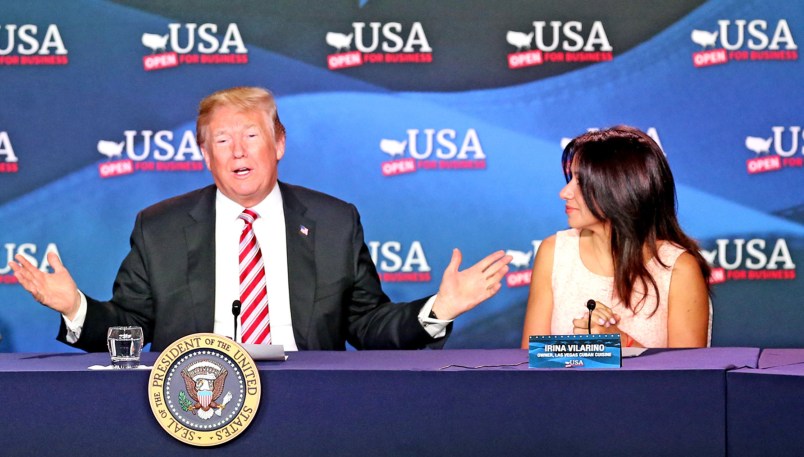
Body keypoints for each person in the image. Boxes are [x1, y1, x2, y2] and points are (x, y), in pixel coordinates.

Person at [10, 86, 511, 352]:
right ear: (205, 155)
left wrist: (439, 308)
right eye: (221, 141)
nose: (238, 152)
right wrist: (75, 307)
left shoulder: (334, 222)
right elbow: (131, 329)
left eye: (251, 136)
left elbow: (366, 325)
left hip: (313, 399)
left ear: (279, 144)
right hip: (196, 402)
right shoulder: (158, 227)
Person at [521, 126, 711, 348]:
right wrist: (587, 349)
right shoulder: (554, 252)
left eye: (581, 182)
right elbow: (529, 366)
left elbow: (690, 377)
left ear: (620, 189)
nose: (565, 193)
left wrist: (623, 344)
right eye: (570, 179)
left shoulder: (678, 269)